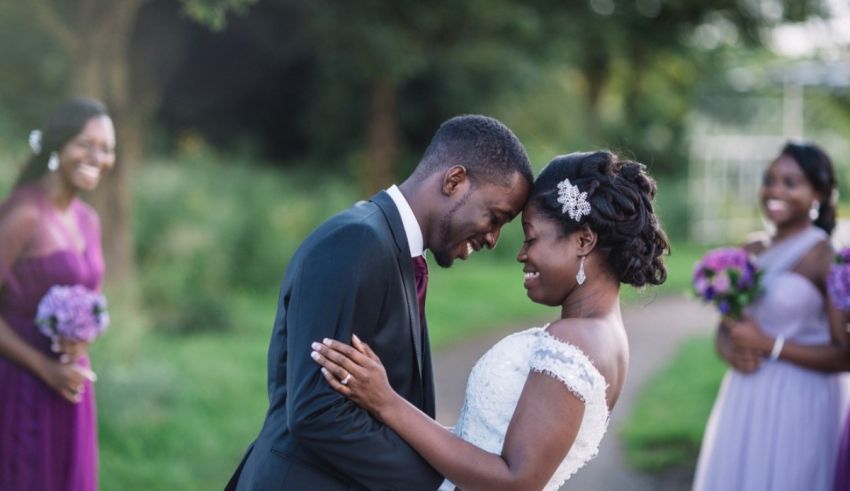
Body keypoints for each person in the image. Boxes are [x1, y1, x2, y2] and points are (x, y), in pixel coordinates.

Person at [311, 150, 670, 490]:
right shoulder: (600, 335)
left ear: (583, 240)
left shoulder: (577, 338)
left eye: (531, 238)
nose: (521, 254)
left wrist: (385, 402)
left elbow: (516, 481)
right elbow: (487, 446)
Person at [226, 114, 534, 490]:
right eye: (496, 217)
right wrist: (435, 484)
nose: (493, 239)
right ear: (455, 182)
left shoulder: (396, 251)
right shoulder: (357, 242)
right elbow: (316, 410)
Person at [693, 141, 847, 491]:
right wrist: (728, 347)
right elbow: (727, 327)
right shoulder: (751, 249)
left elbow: (845, 353)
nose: (775, 190)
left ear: (818, 194)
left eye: (791, 182)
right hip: (747, 392)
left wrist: (770, 344)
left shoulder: (828, 258)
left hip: (802, 401)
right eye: (770, 179)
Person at [0, 97, 116, 491]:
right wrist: (43, 365)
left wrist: (82, 335)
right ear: (57, 145)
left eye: (106, 148)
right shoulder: (24, 214)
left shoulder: (89, 220)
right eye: (85, 144)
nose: (96, 157)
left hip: (71, 383)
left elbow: (93, 295)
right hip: (20, 382)